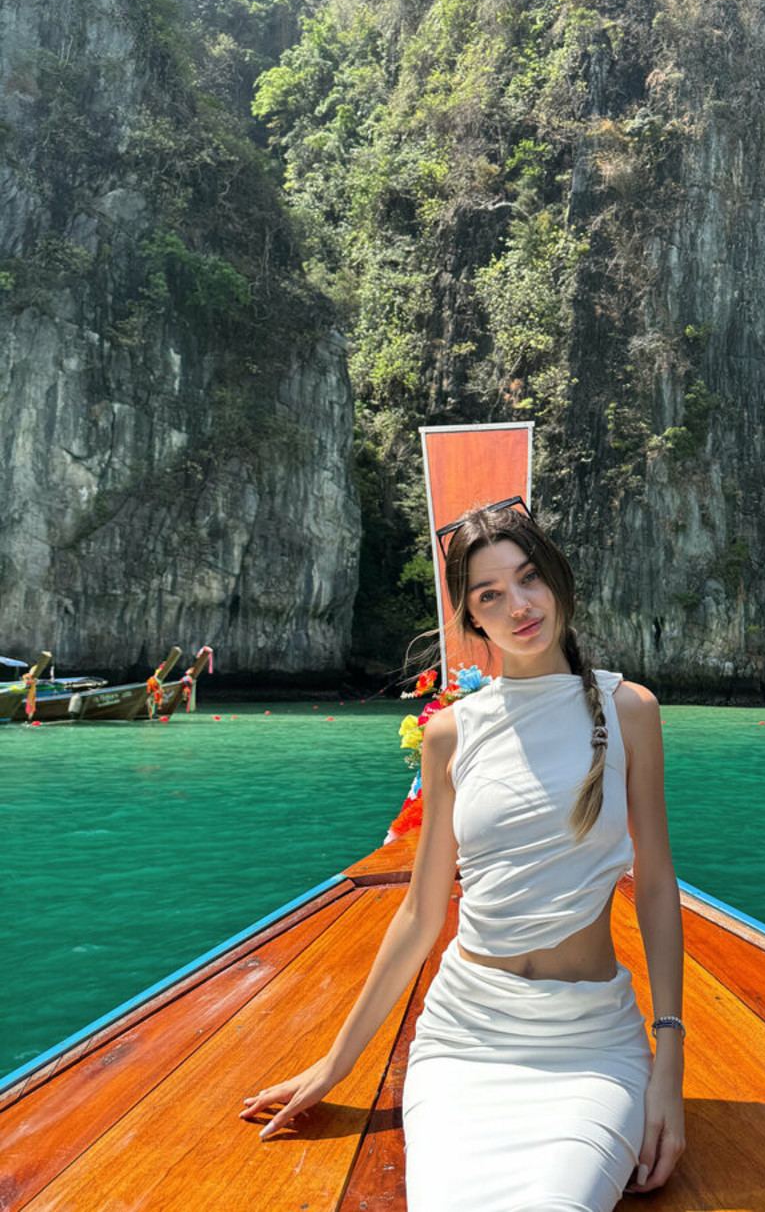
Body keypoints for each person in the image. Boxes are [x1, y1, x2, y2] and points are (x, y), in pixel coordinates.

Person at [240, 498, 685, 1209]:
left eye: (529, 578)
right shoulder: (452, 733)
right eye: (490, 595)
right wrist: (335, 1063)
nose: (519, 605)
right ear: (472, 618)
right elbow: (420, 915)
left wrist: (670, 1063)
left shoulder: (630, 710)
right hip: (466, 1037)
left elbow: (656, 885)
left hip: (590, 1046)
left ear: (558, 579)